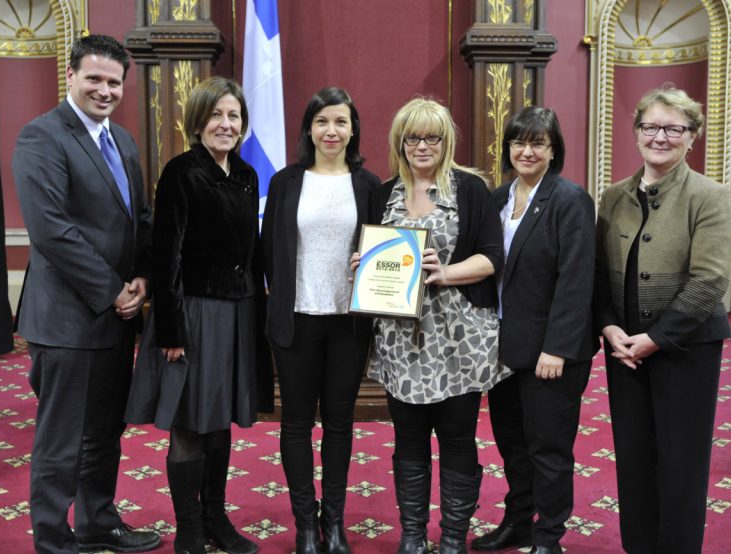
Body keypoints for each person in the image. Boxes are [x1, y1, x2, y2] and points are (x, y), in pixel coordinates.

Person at [11, 35, 159, 554]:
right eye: (93, 78)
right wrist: (112, 289)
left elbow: (139, 218)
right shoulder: (42, 137)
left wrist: (142, 275)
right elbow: (51, 231)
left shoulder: (122, 140)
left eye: (113, 82)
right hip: (67, 320)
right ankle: (52, 540)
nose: (104, 89)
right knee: (61, 440)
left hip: (117, 316)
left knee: (103, 432)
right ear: (70, 76)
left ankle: (97, 521)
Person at [125, 77, 273, 554]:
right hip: (192, 314)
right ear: (198, 121)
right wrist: (169, 326)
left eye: (233, 116)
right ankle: (189, 527)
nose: (225, 124)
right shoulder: (181, 172)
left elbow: (251, 253)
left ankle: (217, 519)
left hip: (238, 314)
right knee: (190, 424)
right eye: (216, 115)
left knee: (221, 421)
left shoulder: (248, 175)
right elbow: (166, 253)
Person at [595, 86, 731, 553]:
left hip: (685, 349)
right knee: (634, 462)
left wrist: (655, 338)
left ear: (691, 137)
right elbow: (599, 272)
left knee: (681, 466)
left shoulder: (710, 195)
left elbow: (710, 281)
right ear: (636, 132)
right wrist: (609, 326)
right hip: (624, 349)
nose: (661, 137)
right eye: (651, 126)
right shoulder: (613, 195)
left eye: (673, 128)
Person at [362, 98, 505, 554]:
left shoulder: (471, 188)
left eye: (432, 137)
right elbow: (371, 254)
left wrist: (444, 272)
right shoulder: (382, 192)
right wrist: (362, 265)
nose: (422, 146)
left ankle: (454, 539)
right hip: (400, 338)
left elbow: (491, 257)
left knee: (458, 436)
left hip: (459, 335)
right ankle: (412, 535)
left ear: (446, 141)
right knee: (407, 437)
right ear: (399, 142)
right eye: (412, 137)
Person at [471, 107, 596, 554]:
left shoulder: (569, 199)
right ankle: (519, 523)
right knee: (513, 446)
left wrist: (557, 348)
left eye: (537, 142)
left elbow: (577, 279)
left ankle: (549, 538)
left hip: (552, 353)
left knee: (548, 450)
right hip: (505, 348)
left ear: (553, 149)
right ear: (507, 147)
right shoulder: (498, 197)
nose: (527, 150)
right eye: (519, 142)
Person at [262, 87, 380, 554]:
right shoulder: (285, 182)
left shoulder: (370, 184)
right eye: (322, 121)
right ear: (309, 128)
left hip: (348, 322)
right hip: (296, 320)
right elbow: (270, 249)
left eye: (341, 122)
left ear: (353, 130)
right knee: (294, 423)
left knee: (339, 422)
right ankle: (305, 525)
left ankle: (334, 523)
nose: (332, 130)